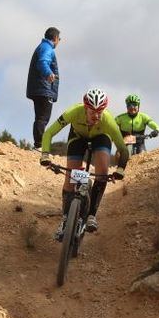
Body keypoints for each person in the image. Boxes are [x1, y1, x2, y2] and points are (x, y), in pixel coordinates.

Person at [39, 88, 129, 240]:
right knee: (70, 179)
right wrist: (45, 155)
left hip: (101, 137)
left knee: (102, 171)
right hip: (78, 136)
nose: (96, 115)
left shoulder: (107, 120)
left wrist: (120, 168)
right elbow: (49, 133)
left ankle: (92, 215)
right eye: (93, 111)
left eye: (100, 111)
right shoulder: (73, 112)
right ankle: (66, 219)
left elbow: (123, 149)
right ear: (85, 108)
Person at [26, 27, 61, 149]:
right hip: (44, 88)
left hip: (39, 88)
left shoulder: (43, 47)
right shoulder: (47, 48)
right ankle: (39, 145)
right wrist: (48, 74)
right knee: (43, 118)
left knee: (40, 117)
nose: (59, 42)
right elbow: (42, 62)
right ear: (55, 38)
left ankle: (38, 145)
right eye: (59, 39)